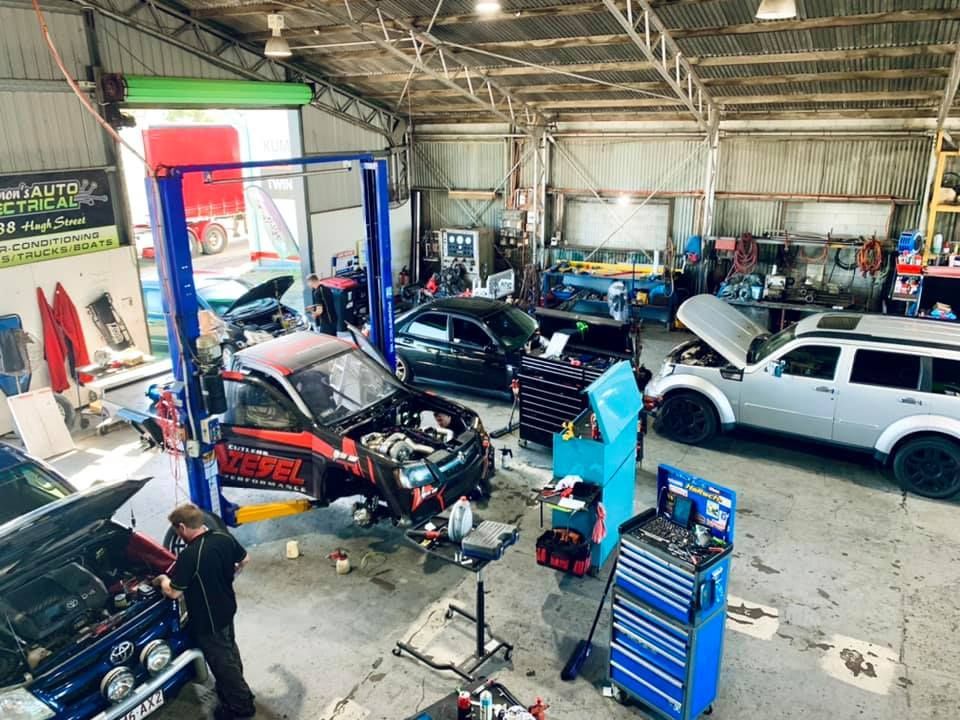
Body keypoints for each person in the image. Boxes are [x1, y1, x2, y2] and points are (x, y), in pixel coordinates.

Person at [153, 505, 256, 720]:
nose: (178, 534)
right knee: (230, 651)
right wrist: (228, 574)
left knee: (222, 664)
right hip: (227, 607)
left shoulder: (190, 556)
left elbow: (173, 592)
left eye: (177, 529)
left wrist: (162, 579)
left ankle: (240, 707)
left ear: (181, 526)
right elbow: (245, 559)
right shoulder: (223, 537)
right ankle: (239, 694)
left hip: (208, 619)